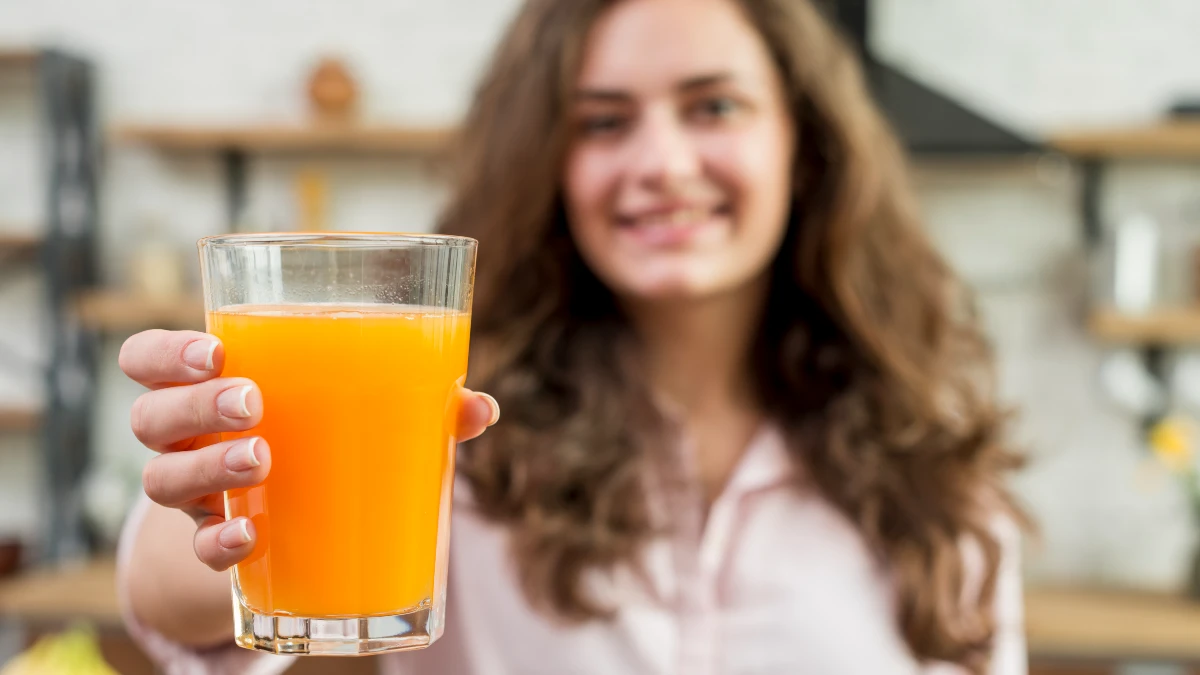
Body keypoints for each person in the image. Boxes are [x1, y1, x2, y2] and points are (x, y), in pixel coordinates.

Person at [116, 0, 1028, 673]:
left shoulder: (937, 471)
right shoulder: (452, 421)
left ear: (806, 145)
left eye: (714, 107)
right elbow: (181, 611)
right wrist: (206, 510)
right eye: (603, 121)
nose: (663, 165)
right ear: (546, 162)